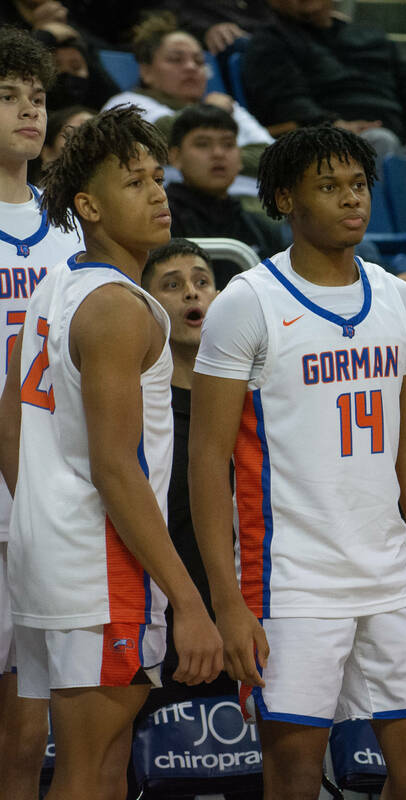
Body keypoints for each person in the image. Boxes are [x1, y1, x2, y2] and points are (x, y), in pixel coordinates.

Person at [188, 126, 406, 800]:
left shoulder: (396, 298)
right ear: (287, 199)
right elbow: (206, 460)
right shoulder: (247, 302)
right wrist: (227, 601)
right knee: (294, 779)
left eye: (358, 185)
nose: (352, 200)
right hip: (289, 579)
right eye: (330, 186)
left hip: (386, 573)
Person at [0, 104, 223, 800]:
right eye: (134, 182)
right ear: (89, 205)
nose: (158, 193)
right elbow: (114, 467)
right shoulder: (120, 308)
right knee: (90, 771)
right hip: (102, 569)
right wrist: (188, 599)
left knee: (97, 763)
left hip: (51, 558)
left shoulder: (49, 289)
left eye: (158, 177)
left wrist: (43, 511)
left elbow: (10, 425)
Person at [0, 27, 82, 800]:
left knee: (32, 697)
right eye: (8, 96)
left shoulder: (69, 228)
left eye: (38, 97)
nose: (30, 111)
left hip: (43, 482)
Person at [137, 239, 239, 714]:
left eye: (202, 282)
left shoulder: (253, 407)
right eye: (172, 286)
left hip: (249, 613)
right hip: (166, 617)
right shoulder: (138, 412)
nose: (192, 295)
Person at [242, 0, 406, 156]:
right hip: (328, 143)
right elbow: (287, 104)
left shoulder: (374, 38)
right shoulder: (270, 42)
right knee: (380, 141)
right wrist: (333, 126)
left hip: (401, 140)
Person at [103, 13, 272, 175]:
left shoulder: (227, 105)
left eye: (199, 61)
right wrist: (212, 111)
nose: (191, 67)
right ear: (146, 71)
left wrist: (203, 157)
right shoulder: (125, 104)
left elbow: (271, 158)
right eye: (176, 59)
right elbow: (163, 135)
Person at [165, 104, 286, 286]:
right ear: (175, 156)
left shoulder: (260, 227)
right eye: (202, 144)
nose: (218, 154)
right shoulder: (162, 221)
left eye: (228, 144)